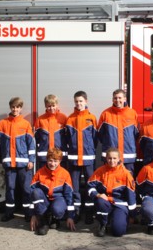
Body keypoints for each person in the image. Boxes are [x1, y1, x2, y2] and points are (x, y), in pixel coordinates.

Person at [87, 147, 136, 237]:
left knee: (118, 232)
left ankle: (120, 218)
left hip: (120, 205)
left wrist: (132, 215)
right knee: (100, 201)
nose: (112, 161)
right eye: (109, 158)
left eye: (114, 158)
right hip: (105, 202)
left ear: (119, 159)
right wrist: (98, 194)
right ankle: (103, 223)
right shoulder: (100, 171)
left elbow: (131, 196)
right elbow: (90, 187)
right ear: (106, 158)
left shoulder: (126, 174)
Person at [65, 90, 98, 224]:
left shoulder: (92, 118)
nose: (79, 103)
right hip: (73, 158)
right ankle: (76, 212)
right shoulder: (70, 119)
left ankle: (89, 213)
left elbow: (95, 139)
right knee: (75, 186)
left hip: (88, 157)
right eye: (76, 101)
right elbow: (67, 138)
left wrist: (89, 149)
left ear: (86, 101)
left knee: (90, 185)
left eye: (81, 101)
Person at [29, 148, 76, 235]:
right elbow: (31, 194)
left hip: (58, 199)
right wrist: (33, 215)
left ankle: (55, 218)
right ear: (46, 160)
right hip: (45, 200)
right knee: (36, 192)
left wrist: (70, 216)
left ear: (60, 161)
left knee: (57, 209)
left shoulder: (65, 174)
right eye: (50, 160)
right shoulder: (39, 173)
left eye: (55, 161)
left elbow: (69, 195)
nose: (52, 164)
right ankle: (44, 222)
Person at [98, 89, 139, 175]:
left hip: (128, 155)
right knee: (109, 179)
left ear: (125, 99)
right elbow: (100, 135)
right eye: (115, 98)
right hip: (111, 156)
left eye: (120, 98)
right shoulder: (105, 114)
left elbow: (136, 134)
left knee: (128, 179)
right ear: (112, 99)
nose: (118, 100)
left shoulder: (132, 114)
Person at [34, 94, 68, 170]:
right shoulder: (40, 119)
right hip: (44, 155)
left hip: (59, 154)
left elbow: (68, 136)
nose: (51, 108)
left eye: (53, 105)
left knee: (60, 177)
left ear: (57, 105)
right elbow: (36, 137)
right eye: (49, 106)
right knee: (44, 178)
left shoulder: (63, 118)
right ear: (45, 106)